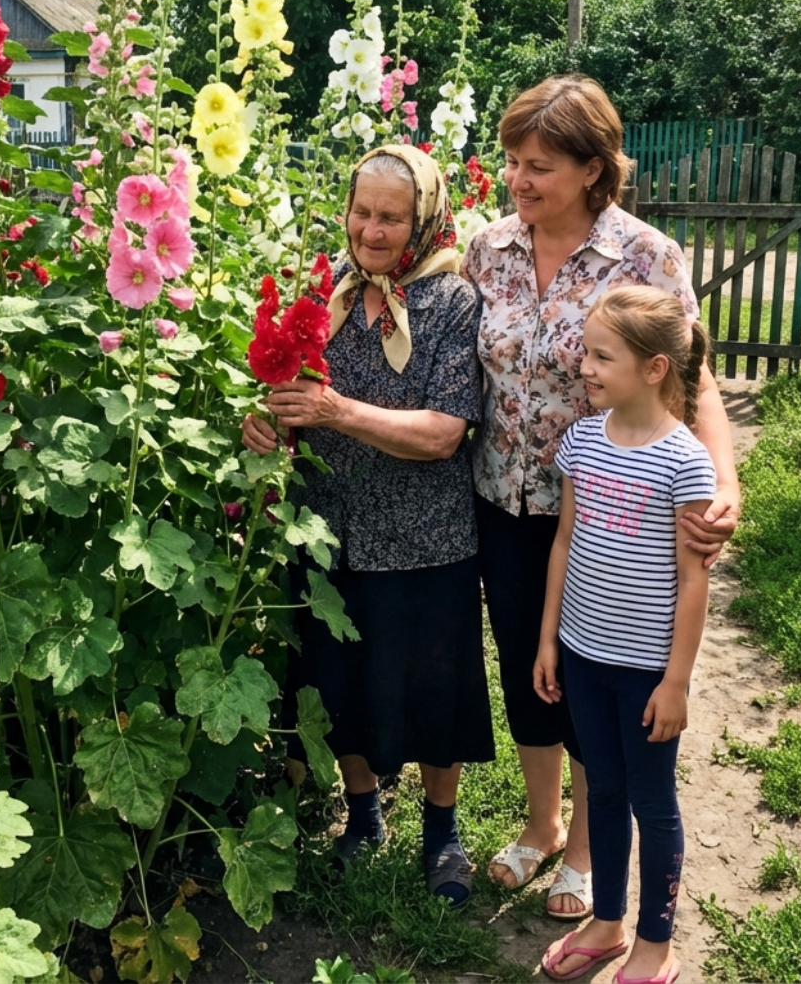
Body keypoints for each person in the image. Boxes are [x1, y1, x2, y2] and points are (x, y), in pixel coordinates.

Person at [463, 75, 739, 916]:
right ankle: (540, 823)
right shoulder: (488, 248)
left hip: (614, 513)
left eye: (538, 166)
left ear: (592, 169)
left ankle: (586, 847)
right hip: (504, 499)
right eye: (512, 161)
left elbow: (693, 377)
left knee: (595, 675)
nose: (518, 180)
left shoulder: (645, 256)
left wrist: (722, 480)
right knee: (528, 667)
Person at [242, 143, 493, 907]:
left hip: (426, 537)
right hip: (331, 527)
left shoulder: (452, 302)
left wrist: (334, 411)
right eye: (361, 212)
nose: (372, 231)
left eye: (391, 217)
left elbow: (444, 432)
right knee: (340, 682)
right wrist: (266, 423)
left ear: (424, 221)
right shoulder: (327, 291)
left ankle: (442, 832)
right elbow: (285, 387)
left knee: (435, 687)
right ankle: (362, 813)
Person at [534, 286, 714, 984]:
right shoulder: (581, 442)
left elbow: (693, 581)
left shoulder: (685, 461)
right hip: (583, 658)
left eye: (601, 356)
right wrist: (549, 640)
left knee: (652, 803)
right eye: (586, 351)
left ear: (654, 368)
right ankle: (606, 923)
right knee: (602, 791)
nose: (584, 366)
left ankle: (655, 943)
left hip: (646, 675)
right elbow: (563, 542)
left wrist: (676, 682)